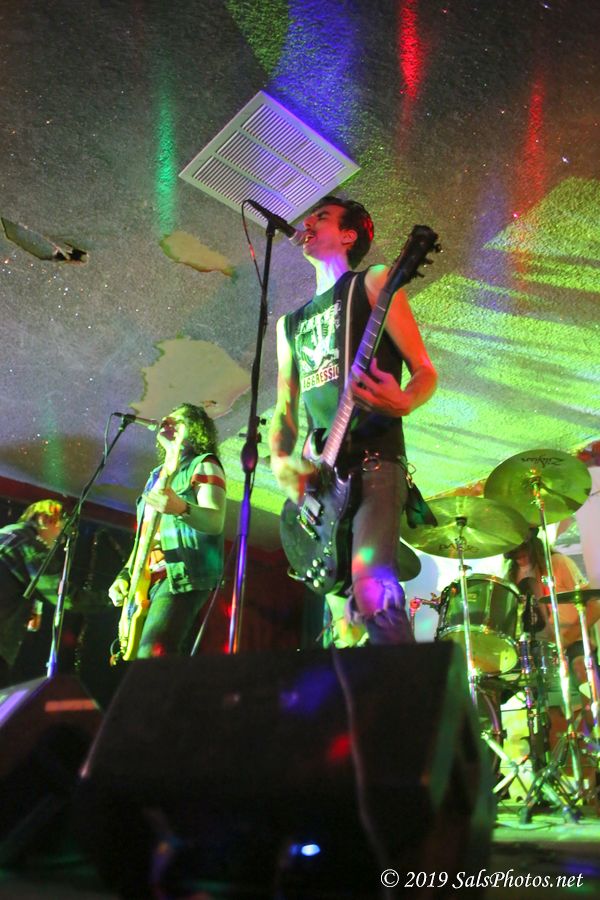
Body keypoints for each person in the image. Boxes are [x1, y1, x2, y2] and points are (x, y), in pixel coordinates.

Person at [269, 196, 437, 646]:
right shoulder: (289, 326)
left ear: (348, 235)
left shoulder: (374, 281)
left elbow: (425, 371)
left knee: (371, 586)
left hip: (377, 462)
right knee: (342, 622)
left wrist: (404, 400)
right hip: (323, 479)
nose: (308, 221)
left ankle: (407, 682)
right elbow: (285, 408)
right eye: (309, 217)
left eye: (321, 217)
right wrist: (280, 459)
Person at [109, 403, 226, 658]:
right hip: (148, 579)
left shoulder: (204, 464)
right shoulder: (155, 476)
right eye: (166, 418)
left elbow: (215, 521)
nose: (166, 421)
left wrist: (181, 507)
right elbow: (144, 539)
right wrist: (125, 575)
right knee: (143, 661)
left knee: (153, 653)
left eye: (177, 420)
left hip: (183, 573)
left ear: (195, 429)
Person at [504, 530, 600, 691]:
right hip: (536, 648)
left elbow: (594, 608)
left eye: (522, 549)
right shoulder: (510, 576)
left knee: (581, 670)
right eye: (513, 552)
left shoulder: (558, 563)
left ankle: (592, 706)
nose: (519, 555)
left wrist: (565, 640)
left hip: (572, 641)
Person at [0, 499, 65, 686]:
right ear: (45, 519)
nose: (60, 539)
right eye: (59, 529)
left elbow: (32, 622)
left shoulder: (7, 534)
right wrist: (107, 600)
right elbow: (61, 594)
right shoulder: (27, 542)